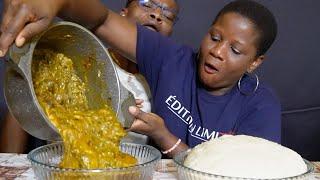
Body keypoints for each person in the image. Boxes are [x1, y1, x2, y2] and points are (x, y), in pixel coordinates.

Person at [0, 0, 281, 158]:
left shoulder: (260, 105)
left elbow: (236, 174)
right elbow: (101, 21)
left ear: (254, 62)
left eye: (234, 50)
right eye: (215, 37)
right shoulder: (172, 60)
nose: (217, 52)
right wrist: (58, 1)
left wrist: (165, 137)